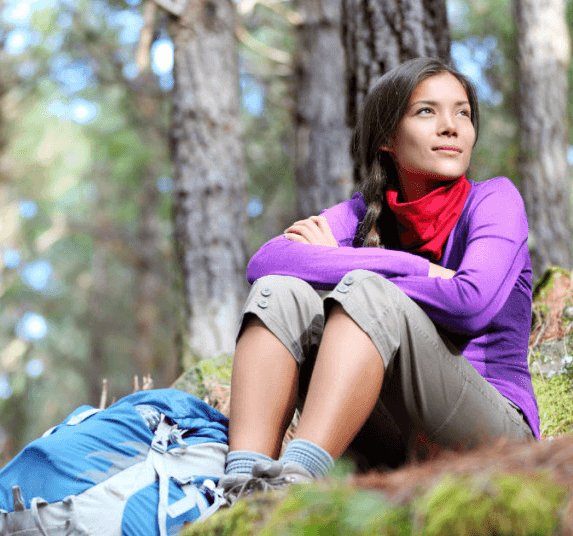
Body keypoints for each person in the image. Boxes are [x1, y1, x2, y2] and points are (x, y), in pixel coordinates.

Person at [218, 57, 539, 495]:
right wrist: (416, 267)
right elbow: (267, 262)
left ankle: (294, 482)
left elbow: (471, 303)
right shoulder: (363, 214)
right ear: (388, 137)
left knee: (366, 292)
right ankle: (242, 484)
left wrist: (357, 273)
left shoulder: (495, 199)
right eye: (427, 111)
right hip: (387, 441)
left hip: (490, 434)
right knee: (281, 292)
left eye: (462, 112)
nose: (451, 126)